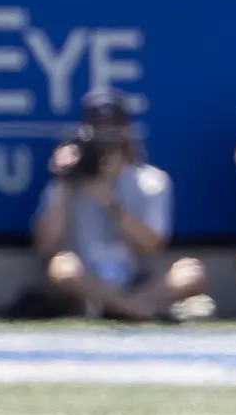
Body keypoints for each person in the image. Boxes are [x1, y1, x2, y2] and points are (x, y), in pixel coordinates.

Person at [33, 90, 211, 321]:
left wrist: (111, 204)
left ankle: (120, 306)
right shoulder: (67, 180)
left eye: (113, 127)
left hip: (136, 281)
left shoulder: (152, 181)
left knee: (191, 271)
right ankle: (135, 309)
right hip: (86, 281)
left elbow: (153, 246)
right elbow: (45, 246)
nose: (106, 137)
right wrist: (62, 179)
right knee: (61, 269)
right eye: (99, 128)